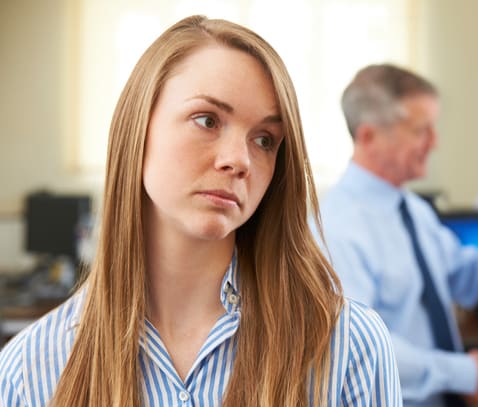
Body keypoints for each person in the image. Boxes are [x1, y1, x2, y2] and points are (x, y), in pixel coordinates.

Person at [0, 16, 402, 407]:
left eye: (264, 140)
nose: (239, 159)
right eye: (207, 120)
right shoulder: (29, 370)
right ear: (137, 128)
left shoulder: (348, 346)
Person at [314, 63, 478, 406]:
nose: (435, 142)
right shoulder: (337, 228)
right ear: (369, 136)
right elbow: (360, 348)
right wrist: (467, 373)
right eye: (422, 130)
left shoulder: (414, 211)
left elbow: (467, 275)